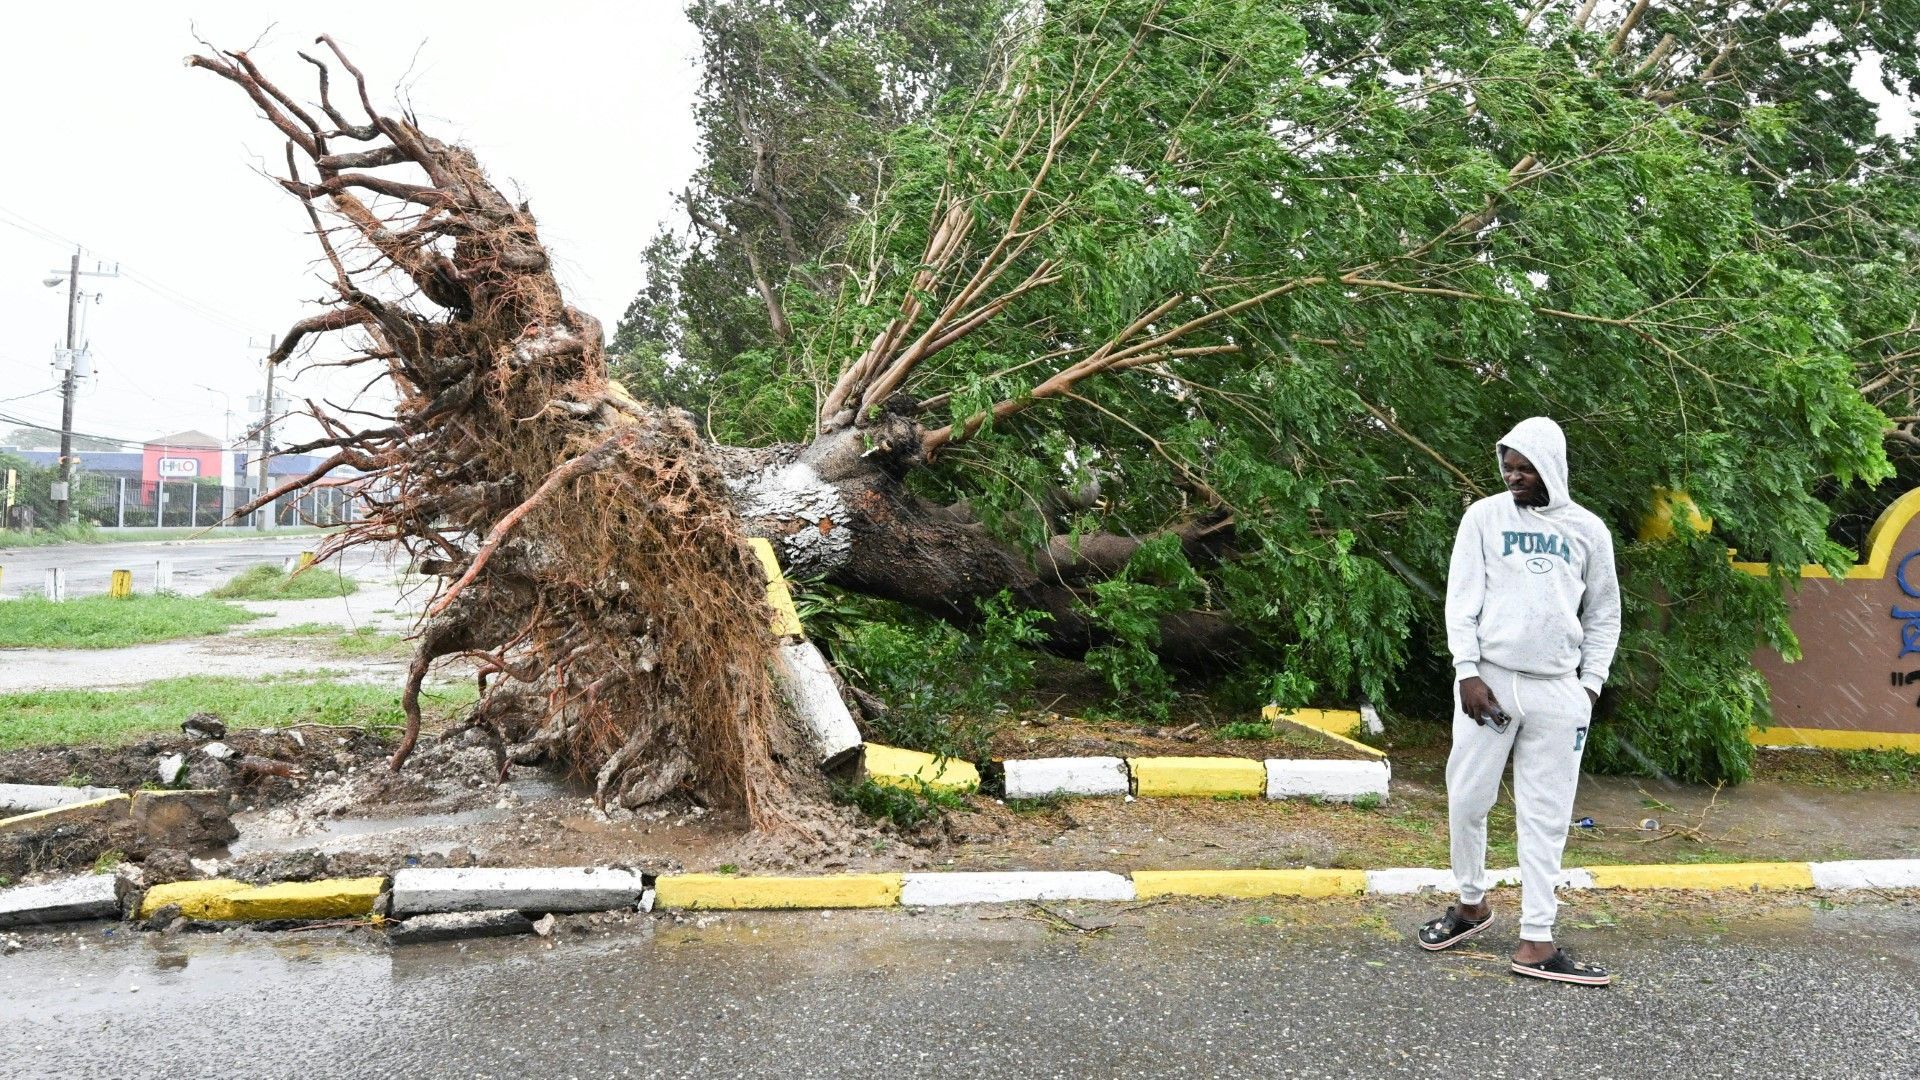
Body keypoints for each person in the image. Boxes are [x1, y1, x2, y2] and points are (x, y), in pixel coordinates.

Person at [1418, 416, 1621, 986]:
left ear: (1551, 466)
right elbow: (1461, 600)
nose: (1513, 477)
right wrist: (1467, 671)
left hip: (1559, 690)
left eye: (1525, 468)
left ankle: (1536, 939)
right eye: (1508, 467)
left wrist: (1588, 687)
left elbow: (1604, 613)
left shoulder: (1589, 530)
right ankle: (1471, 903)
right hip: (1490, 684)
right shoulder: (1484, 518)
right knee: (1467, 798)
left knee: (1545, 815)